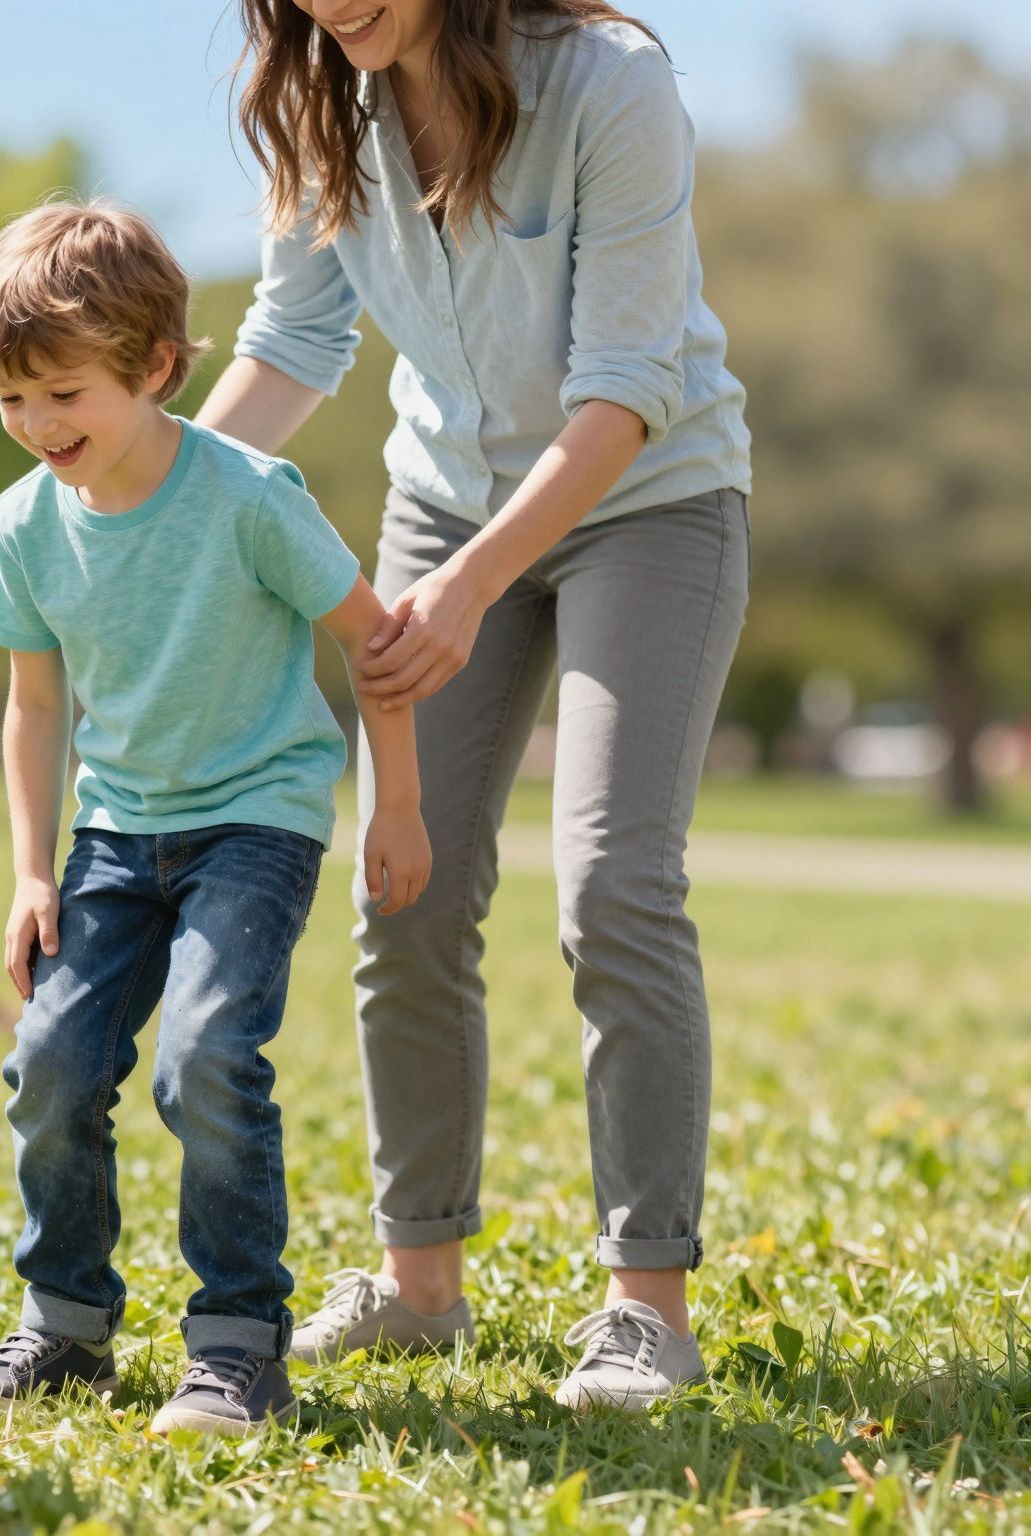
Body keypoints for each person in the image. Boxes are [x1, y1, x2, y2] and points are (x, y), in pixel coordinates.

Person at [195, 0, 752, 1410]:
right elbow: (295, 338)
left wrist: (471, 593)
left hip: (653, 501)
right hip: (444, 508)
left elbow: (626, 389)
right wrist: (150, 497)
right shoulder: (324, 108)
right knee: (408, 886)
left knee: (617, 883)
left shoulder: (609, 83)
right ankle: (419, 1284)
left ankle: (645, 1305)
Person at [0, 200, 431, 1435]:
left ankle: (236, 1342)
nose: (37, 427)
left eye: (62, 394)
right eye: (12, 399)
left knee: (205, 1057)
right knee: (50, 1065)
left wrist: (396, 808)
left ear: (153, 369)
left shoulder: (249, 496)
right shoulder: (23, 522)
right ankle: (64, 1324)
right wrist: (28, 872)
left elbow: (374, 647)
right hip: (112, 834)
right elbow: (32, 705)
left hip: (254, 822)